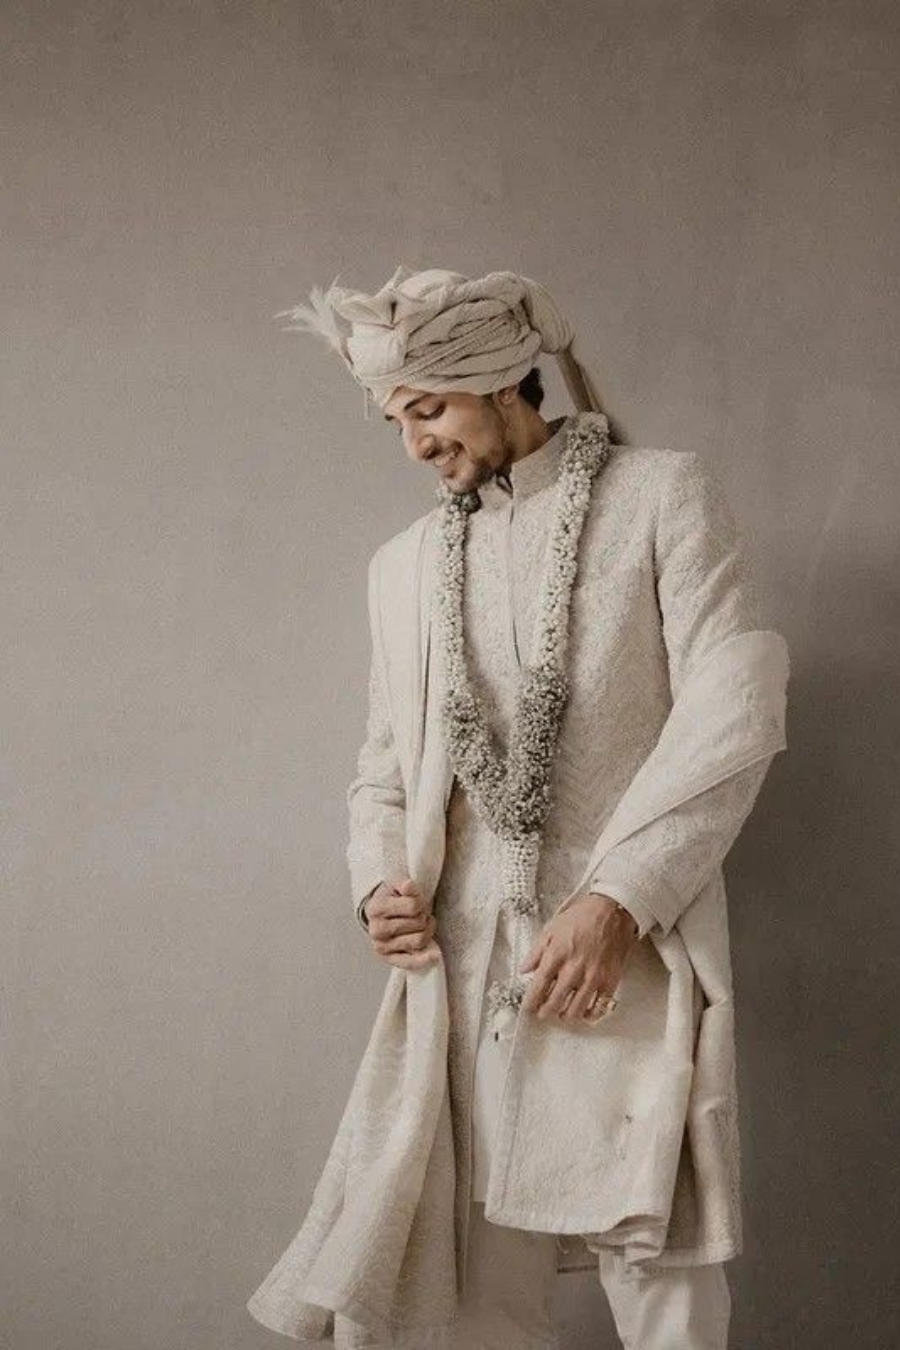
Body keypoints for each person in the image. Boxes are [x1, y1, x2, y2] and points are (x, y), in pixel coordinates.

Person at [247, 264, 790, 1349]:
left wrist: (619, 900)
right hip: (460, 973)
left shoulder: (660, 496)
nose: (416, 446)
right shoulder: (403, 568)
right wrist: (377, 885)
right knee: (476, 1294)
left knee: (663, 1277)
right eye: (396, 422)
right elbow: (384, 765)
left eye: (429, 410)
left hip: (624, 950)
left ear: (504, 382)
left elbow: (734, 708)